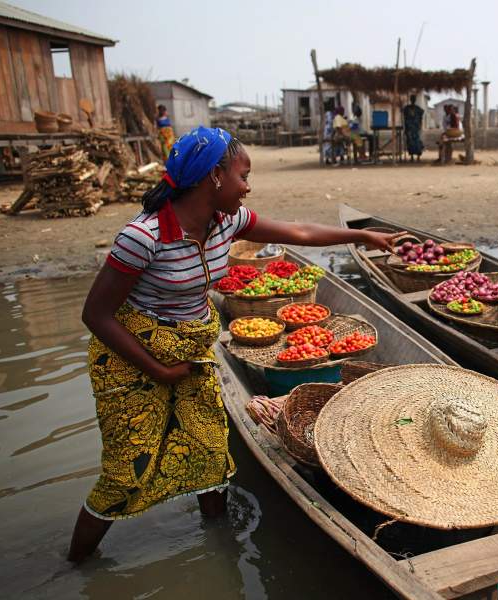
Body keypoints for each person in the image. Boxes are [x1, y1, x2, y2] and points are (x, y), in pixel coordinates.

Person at [67, 127, 399, 563]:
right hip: (131, 362)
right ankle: (75, 564)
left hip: (190, 357)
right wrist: (159, 370)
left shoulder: (228, 222)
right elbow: (97, 315)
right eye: (244, 175)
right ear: (214, 177)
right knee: (128, 471)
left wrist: (361, 237)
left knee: (210, 452)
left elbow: (297, 231)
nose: (248, 186)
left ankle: (219, 550)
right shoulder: (144, 236)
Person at [402, 95, 425, 161]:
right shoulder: (407, 108)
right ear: (410, 100)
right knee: (410, 142)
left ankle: (418, 157)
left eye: (413, 99)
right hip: (409, 128)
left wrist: (420, 125)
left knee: (417, 142)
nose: (413, 100)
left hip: (416, 128)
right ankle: (412, 156)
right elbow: (404, 116)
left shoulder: (417, 109)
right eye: (412, 99)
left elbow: (421, 116)